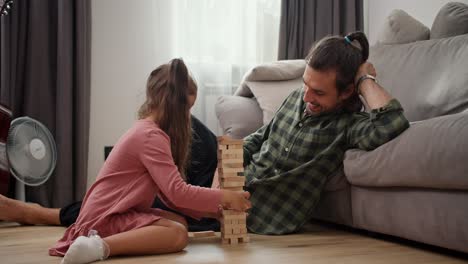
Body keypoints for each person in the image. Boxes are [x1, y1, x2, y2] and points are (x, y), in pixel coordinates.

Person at [1, 31, 409, 238]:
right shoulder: (293, 102)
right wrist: (222, 166)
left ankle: (41, 214)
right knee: (169, 123)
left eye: (318, 92)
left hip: (239, 212)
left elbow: (392, 122)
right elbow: (255, 140)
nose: (306, 97)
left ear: (347, 93)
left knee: (151, 201)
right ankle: (85, 202)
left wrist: (364, 75)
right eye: (305, 84)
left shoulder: (347, 127)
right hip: (220, 181)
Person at [46, 58, 251, 264]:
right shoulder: (151, 136)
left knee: (178, 221)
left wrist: (212, 212)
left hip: (110, 213)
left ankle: (99, 241)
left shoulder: (148, 131)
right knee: (178, 234)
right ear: (173, 105)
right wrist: (224, 196)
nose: (189, 118)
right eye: (187, 109)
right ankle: (98, 247)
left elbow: (169, 198)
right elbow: (177, 192)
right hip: (104, 218)